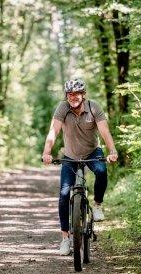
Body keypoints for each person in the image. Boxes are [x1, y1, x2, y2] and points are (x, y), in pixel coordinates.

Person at [41, 79, 118, 256]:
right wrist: (47, 152)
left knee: (101, 171)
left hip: (92, 152)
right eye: (69, 94)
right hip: (70, 156)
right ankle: (65, 239)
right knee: (63, 195)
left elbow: (104, 131)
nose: (73, 97)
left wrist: (112, 150)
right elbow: (54, 131)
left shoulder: (94, 107)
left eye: (76, 94)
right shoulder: (63, 108)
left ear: (83, 95)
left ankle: (97, 205)